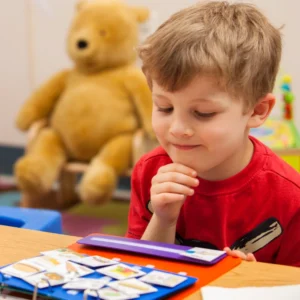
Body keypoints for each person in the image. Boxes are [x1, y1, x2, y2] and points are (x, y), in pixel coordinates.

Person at [126, 1, 300, 267]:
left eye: (203, 113)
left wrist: (253, 282)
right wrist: (163, 219)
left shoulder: (290, 198)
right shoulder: (150, 172)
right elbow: (136, 271)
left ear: (257, 110)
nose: (177, 129)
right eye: (164, 107)